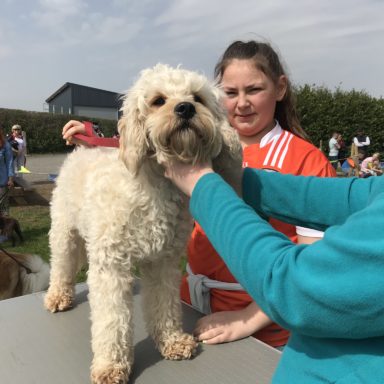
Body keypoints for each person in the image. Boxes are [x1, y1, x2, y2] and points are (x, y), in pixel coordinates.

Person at [61, 40, 336, 349]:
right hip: (190, 308)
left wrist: (246, 319)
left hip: (265, 329)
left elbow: (315, 269)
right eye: (231, 93)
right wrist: (99, 147)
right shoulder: (190, 154)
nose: (242, 103)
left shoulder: (308, 160)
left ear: (280, 88)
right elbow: (140, 157)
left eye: (254, 90)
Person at [163, 155, 384, 383]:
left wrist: (204, 187)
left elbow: (296, 287)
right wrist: (230, 179)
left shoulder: (305, 156)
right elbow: (353, 196)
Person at [0, 123, 15, 216]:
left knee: (3, 209)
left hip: (2, 182)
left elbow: (10, 163)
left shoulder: (6, 145)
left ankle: (5, 229)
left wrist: (10, 179)